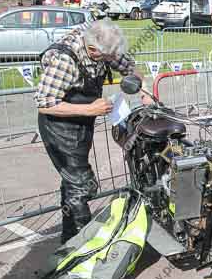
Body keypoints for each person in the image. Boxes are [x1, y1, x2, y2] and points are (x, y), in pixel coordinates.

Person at [35, 20, 144, 244]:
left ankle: (68, 241)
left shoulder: (104, 44)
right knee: (83, 185)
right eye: (107, 57)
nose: (111, 61)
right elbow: (44, 102)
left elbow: (129, 68)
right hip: (59, 126)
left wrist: (138, 85)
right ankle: (81, 244)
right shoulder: (64, 60)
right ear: (93, 50)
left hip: (83, 122)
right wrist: (90, 109)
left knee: (73, 183)